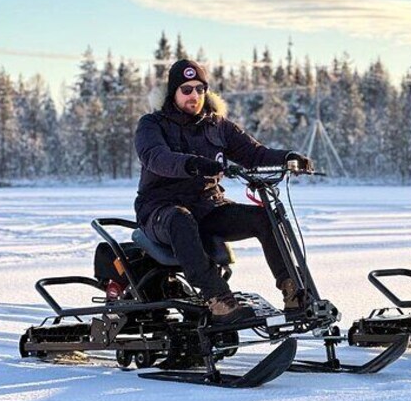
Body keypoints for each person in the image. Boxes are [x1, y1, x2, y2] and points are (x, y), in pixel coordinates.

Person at [134, 59, 313, 324]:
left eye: (199, 89)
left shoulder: (217, 125)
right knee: (181, 219)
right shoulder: (152, 124)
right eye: (186, 90)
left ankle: (293, 290)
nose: (194, 96)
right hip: (161, 209)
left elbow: (253, 153)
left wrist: (286, 157)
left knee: (265, 219)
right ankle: (218, 299)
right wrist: (191, 164)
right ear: (173, 92)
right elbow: (156, 157)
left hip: (208, 208)